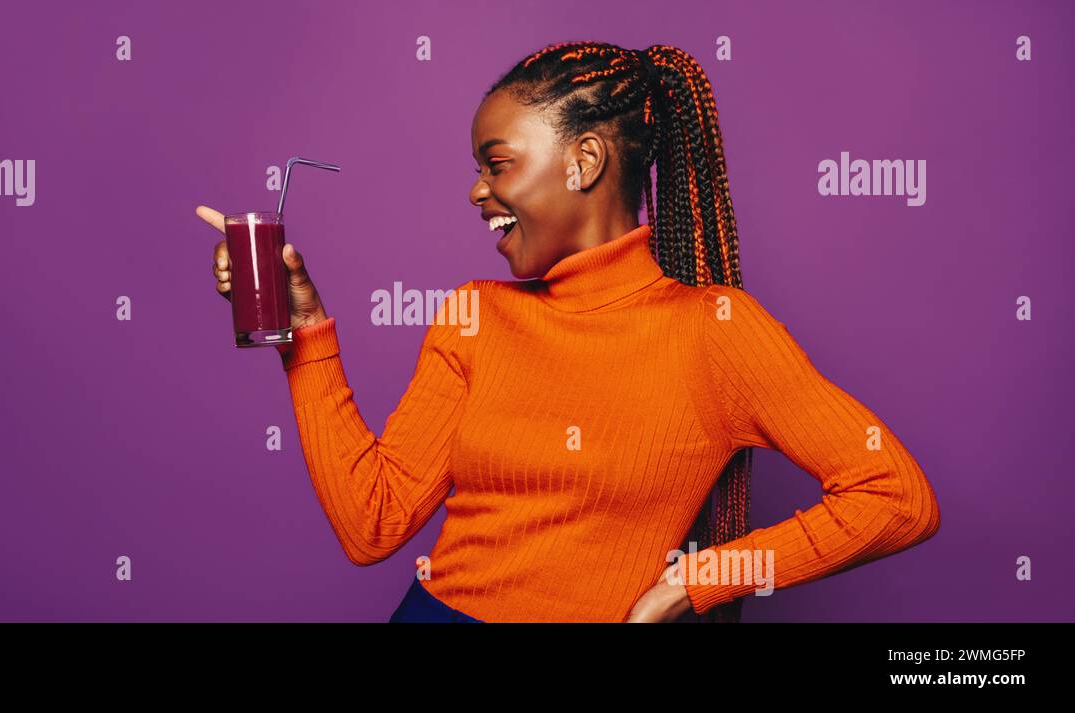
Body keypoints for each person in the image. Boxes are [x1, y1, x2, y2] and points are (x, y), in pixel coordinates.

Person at [195, 42, 940, 623]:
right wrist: (304, 336)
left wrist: (692, 584)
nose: (477, 191)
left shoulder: (716, 331)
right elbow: (373, 522)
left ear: (584, 161)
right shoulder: (475, 315)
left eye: (498, 164)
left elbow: (896, 497)